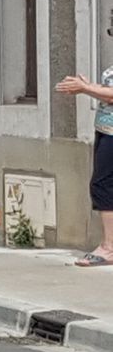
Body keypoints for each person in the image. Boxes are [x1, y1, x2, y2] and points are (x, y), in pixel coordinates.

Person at [56, 66, 113, 266]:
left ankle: (109, 248)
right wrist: (87, 86)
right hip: (106, 130)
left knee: (103, 185)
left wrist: (85, 89)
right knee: (102, 184)